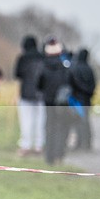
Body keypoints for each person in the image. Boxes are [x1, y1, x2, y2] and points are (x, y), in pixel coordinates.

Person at [36, 37, 71, 165]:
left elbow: (39, 84)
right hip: (61, 102)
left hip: (48, 100)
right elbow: (68, 83)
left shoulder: (43, 66)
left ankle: (49, 156)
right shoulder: (64, 66)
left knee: (49, 127)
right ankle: (59, 154)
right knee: (61, 127)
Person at [14, 35, 45, 156]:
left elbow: (17, 74)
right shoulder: (43, 57)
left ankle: (25, 146)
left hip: (26, 93)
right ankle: (38, 146)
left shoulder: (22, 58)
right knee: (40, 120)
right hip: (41, 94)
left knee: (26, 120)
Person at [69, 48, 96, 150]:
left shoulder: (75, 68)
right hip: (87, 100)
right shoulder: (89, 69)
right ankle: (87, 143)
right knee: (86, 122)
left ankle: (79, 143)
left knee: (78, 122)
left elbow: (73, 84)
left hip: (77, 100)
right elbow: (93, 85)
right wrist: (89, 93)